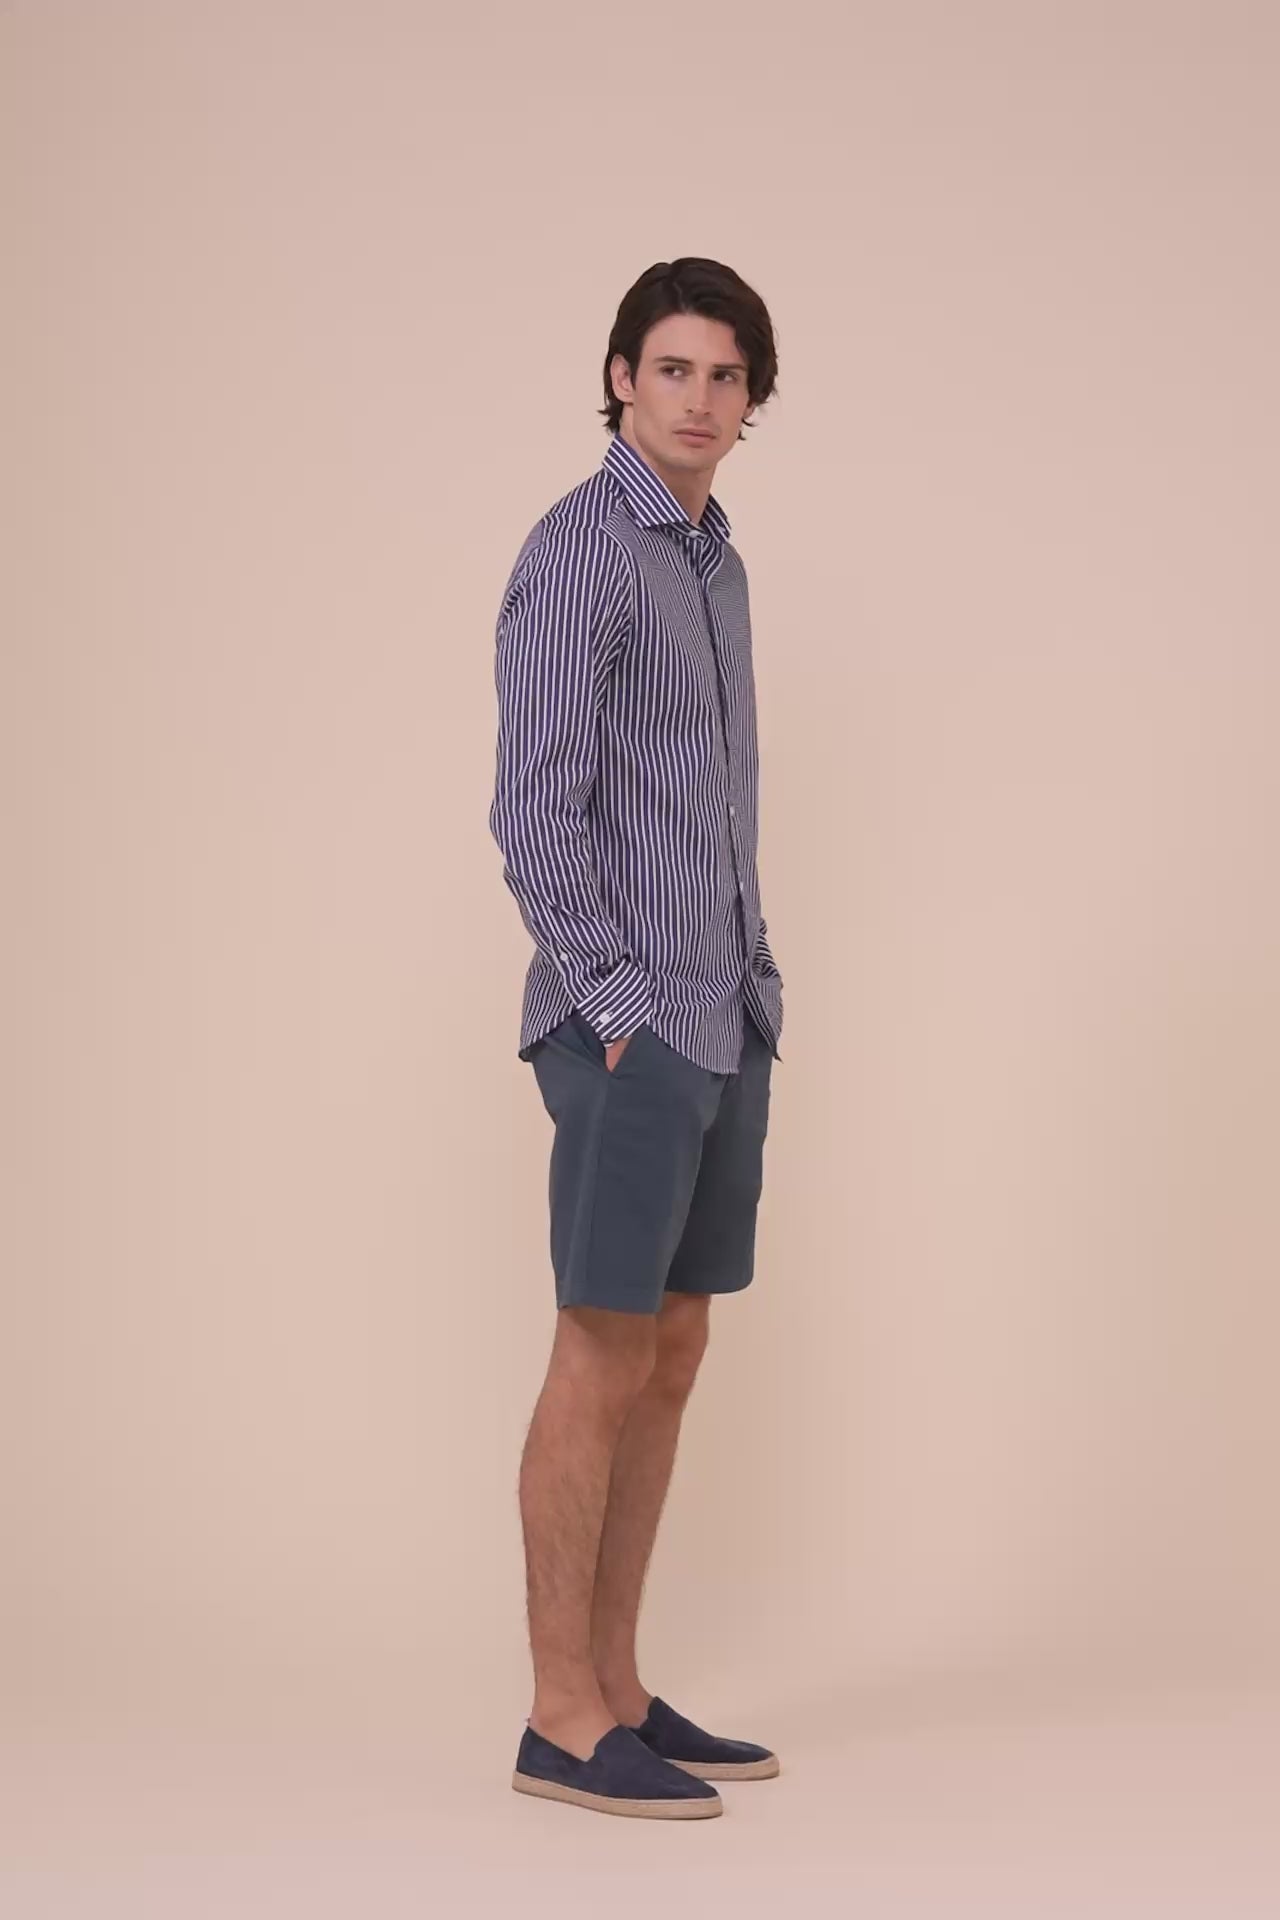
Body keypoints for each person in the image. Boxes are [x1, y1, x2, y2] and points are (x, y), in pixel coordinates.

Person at [488, 257, 785, 1820]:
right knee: (601, 1351)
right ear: (621, 377)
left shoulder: (713, 562)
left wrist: (751, 979)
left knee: (674, 1348)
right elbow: (532, 806)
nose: (701, 399)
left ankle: (615, 1686)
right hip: (630, 1025)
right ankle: (557, 1716)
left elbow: (704, 801)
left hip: (724, 1013)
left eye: (727, 376)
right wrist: (615, 1005)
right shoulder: (581, 551)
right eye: (674, 368)